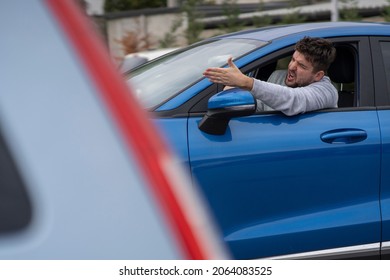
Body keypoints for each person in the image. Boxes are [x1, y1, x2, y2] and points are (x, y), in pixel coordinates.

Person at [203, 36, 338, 116]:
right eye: (292, 59)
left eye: (301, 66)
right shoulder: (278, 76)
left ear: (318, 75)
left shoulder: (327, 91)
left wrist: (246, 82)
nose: (291, 67)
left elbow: (294, 100)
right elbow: (262, 107)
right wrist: (235, 94)